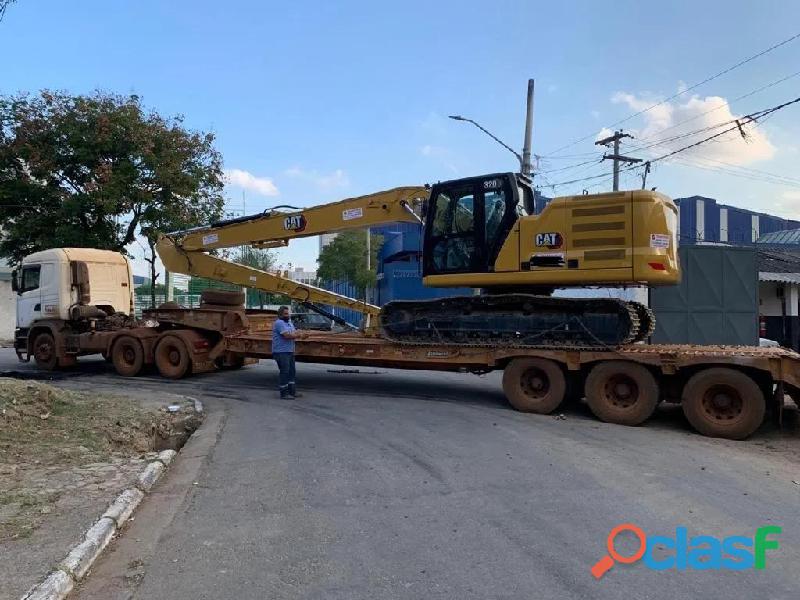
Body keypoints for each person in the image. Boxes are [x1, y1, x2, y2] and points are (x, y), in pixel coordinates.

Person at [272, 306, 303, 399]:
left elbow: (294, 332)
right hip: (281, 352)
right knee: (285, 372)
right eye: (285, 314)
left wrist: (301, 333)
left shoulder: (289, 323)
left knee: (292, 371)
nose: (288, 315)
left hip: (289, 351)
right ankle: (284, 393)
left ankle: (292, 391)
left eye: (288, 313)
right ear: (280, 314)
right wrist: (299, 335)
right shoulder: (279, 323)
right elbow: (287, 335)